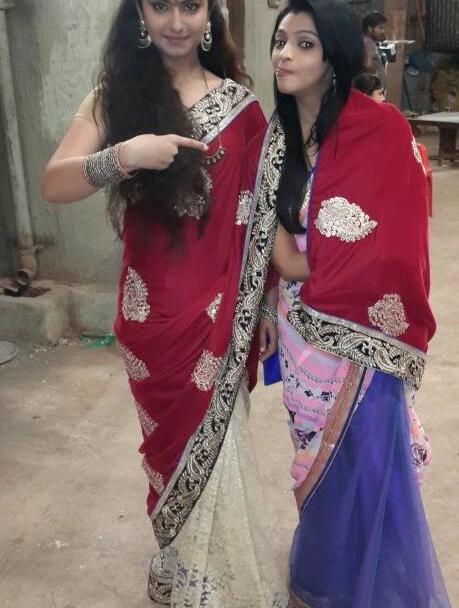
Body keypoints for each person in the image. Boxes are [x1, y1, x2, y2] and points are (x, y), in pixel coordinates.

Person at [42, 1, 285, 606]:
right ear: (139, 15)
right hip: (152, 315)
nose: (176, 21)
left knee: (221, 445)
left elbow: (261, 219)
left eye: (191, 5)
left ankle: (217, 581)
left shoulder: (242, 109)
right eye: (160, 4)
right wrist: (125, 155)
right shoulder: (114, 98)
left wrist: (267, 305)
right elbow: (54, 182)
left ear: (211, 15)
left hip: (222, 313)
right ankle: (178, 554)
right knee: (167, 450)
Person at [242, 0, 452, 606]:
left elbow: (396, 246)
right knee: (314, 456)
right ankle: (330, 578)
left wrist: (313, 266)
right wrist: (274, 298)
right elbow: (274, 249)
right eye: (280, 41)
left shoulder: (380, 131)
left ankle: (373, 587)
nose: (284, 54)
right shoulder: (277, 139)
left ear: (333, 54)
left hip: (362, 333)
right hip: (301, 335)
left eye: (303, 44)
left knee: (369, 466)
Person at [362, 10, 394, 82]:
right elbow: (367, 65)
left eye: (384, 28)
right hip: (371, 86)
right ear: (370, 29)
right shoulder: (368, 43)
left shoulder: (366, 41)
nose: (383, 31)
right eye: (380, 28)